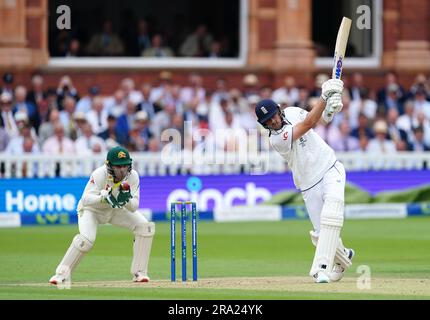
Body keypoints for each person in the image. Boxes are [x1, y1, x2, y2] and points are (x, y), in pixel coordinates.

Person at [255, 78, 354, 283]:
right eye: (268, 122)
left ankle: (320, 269)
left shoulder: (292, 111)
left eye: (273, 116)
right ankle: (344, 257)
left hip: (330, 167)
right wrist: (324, 97)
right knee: (321, 233)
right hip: (308, 183)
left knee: (332, 212)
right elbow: (309, 124)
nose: (273, 122)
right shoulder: (276, 140)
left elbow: (316, 119)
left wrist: (329, 109)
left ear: (279, 111)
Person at [49, 146, 155, 285]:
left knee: (145, 227)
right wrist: (103, 198)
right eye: (118, 166)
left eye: (125, 166)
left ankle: (140, 273)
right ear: (109, 166)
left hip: (116, 210)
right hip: (92, 211)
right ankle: (60, 275)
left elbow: (134, 206)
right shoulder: (100, 174)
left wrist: (125, 199)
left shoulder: (133, 176)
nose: (122, 170)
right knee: (86, 240)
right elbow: (85, 199)